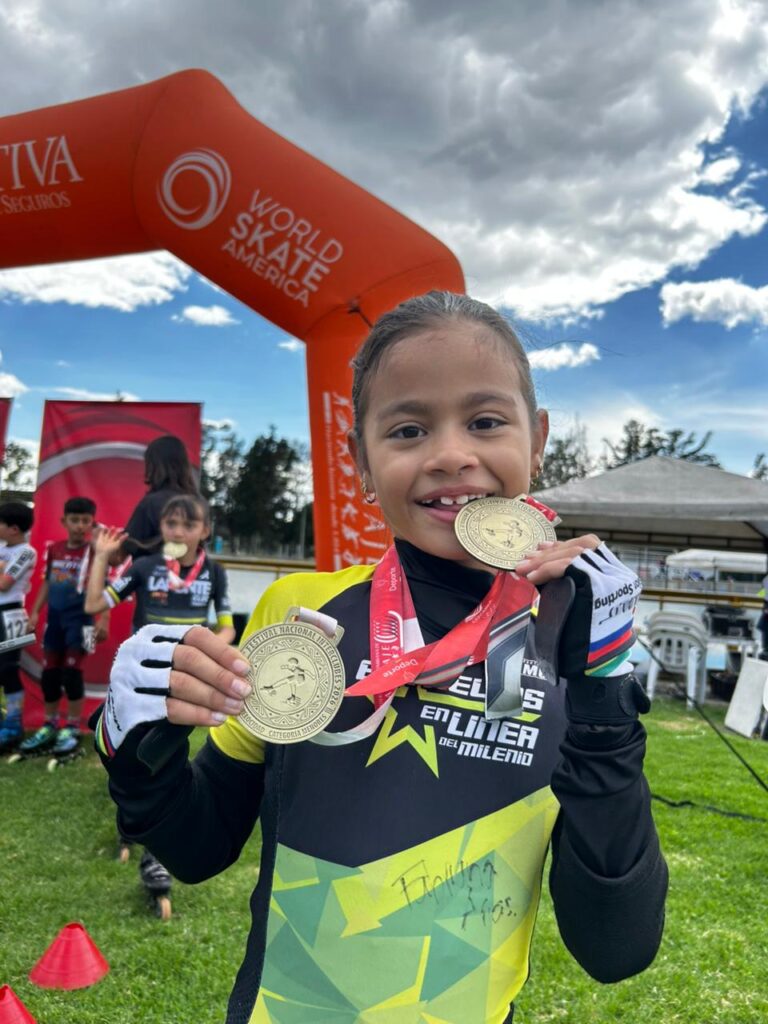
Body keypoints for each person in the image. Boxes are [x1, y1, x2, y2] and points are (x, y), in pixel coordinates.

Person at [92, 291, 667, 1023]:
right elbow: (197, 848)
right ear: (361, 462)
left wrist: (605, 695)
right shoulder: (301, 613)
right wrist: (137, 744)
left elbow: (615, 948)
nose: (451, 454)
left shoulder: (573, 644)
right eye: (408, 430)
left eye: (485, 421)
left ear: (538, 440)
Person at [85, 492, 234, 897]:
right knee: (130, 756)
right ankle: (132, 823)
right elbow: (95, 602)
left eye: (189, 524)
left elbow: (226, 626)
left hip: (185, 683)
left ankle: (156, 853)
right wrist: (101, 557)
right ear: (162, 528)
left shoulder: (214, 573)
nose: (178, 532)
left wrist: (210, 651)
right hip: (141, 683)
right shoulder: (145, 566)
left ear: (205, 530)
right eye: (171, 524)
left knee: (168, 762)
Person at [22, 497, 107, 758]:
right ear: (64, 521)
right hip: (55, 622)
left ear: (92, 523)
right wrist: (34, 612)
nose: (80, 525)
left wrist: (104, 620)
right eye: (75, 520)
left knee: (72, 674)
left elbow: (105, 587)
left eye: (85, 521)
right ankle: (49, 725)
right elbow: (48, 582)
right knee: (49, 674)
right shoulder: (55, 549)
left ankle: (71, 727)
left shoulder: (96, 553)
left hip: (83, 624)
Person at [122, 434, 200, 557]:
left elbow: (127, 547)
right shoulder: (198, 503)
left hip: (152, 568)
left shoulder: (150, 503)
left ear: (153, 465)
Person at [0, 502, 37, 752]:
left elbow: (5, 583)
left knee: (7, 669)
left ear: (13, 528)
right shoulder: (2, 548)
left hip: (12, 615)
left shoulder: (26, 552)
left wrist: (4, 570)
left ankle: (13, 727)